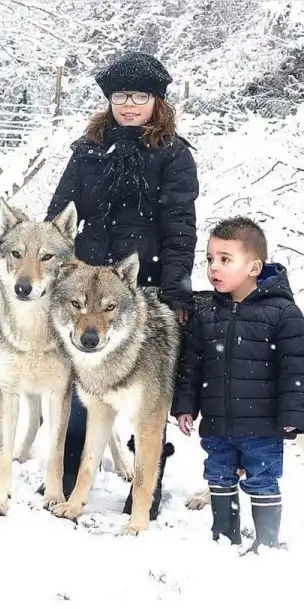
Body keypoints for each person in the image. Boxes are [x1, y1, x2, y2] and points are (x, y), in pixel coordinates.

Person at [45, 51, 199, 511]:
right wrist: (59, 272)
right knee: (83, 386)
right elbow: (60, 215)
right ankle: (71, 476)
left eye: (139, 96)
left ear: (157, 101)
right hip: (85, 284)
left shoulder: (173, 155)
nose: (129, 105)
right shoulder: (88, 150)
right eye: (120, 96)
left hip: (143, 285)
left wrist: (174, 289)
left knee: (146, 396)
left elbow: (179, 226)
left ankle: (145, 489)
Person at [172, 217, 304, 551]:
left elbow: (295, 368)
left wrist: (293, 415)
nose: (213, 267)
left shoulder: (283, 313)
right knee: (218, 476)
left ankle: (267, 543)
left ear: (254, 267)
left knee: (262, 479)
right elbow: (192, 366)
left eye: (225, 259)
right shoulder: (207, 314)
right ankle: (224, 538)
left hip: (263, 426)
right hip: (217, 423)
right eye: (210, 259)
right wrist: (185, 406)